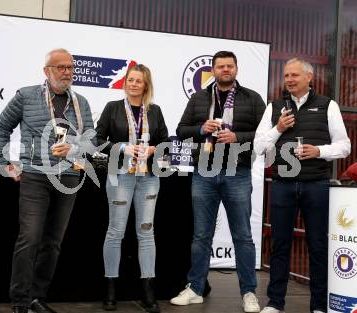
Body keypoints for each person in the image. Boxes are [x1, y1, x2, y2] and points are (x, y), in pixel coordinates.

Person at [0, 48, 94, 313]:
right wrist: (5, 162)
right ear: (46, 71)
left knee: (53, 242)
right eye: (61, 67)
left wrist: (73, 148)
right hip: (35, 176)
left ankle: (37, 297)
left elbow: (90, 140)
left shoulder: (81, 102)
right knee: (30, 237)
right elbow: (2, 127)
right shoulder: (26, 96)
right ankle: (20, 301)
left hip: (69, 177)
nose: (67, 72)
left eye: (71, 67)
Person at [170, 51, 265, 313]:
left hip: (238, 171)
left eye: (229, 66)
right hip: (204, 171)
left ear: (236, 69)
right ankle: (195, 288)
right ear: (213, 70)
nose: (225, 70)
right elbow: (181, 130)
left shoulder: (252, 98)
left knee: (243, 236)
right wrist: (201, 130)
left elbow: (264, 135)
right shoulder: (200, 97)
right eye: (221, 66)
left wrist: (238, 137)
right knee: (201, 235)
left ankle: (249, 293)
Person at [254, 58, 351, 313]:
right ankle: (275, 303)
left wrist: (318, 150)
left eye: (294, 75)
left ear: (310, 77)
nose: (289, 79)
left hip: (316, 185)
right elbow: (258, 147)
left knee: (318, 245)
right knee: (279, 245)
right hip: (282, 185)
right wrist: (278, 128)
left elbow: (344, 146)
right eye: (286, 75)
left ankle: (318, 306)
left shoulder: (328, 106)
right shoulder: (274, 107)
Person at [95, 64, 169, 313]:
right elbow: (97, 140)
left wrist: (152, 149)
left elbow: (165, 142)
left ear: (146, 85)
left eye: (139, 81)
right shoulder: (113, 108)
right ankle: (110, 289)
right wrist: (124, 148)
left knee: (146, 233)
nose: (134, 84)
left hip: (148, 177)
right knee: (115, 232)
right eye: (130, 80)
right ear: (125, 82)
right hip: (120, 176)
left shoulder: (155, 111)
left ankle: (148, 291)